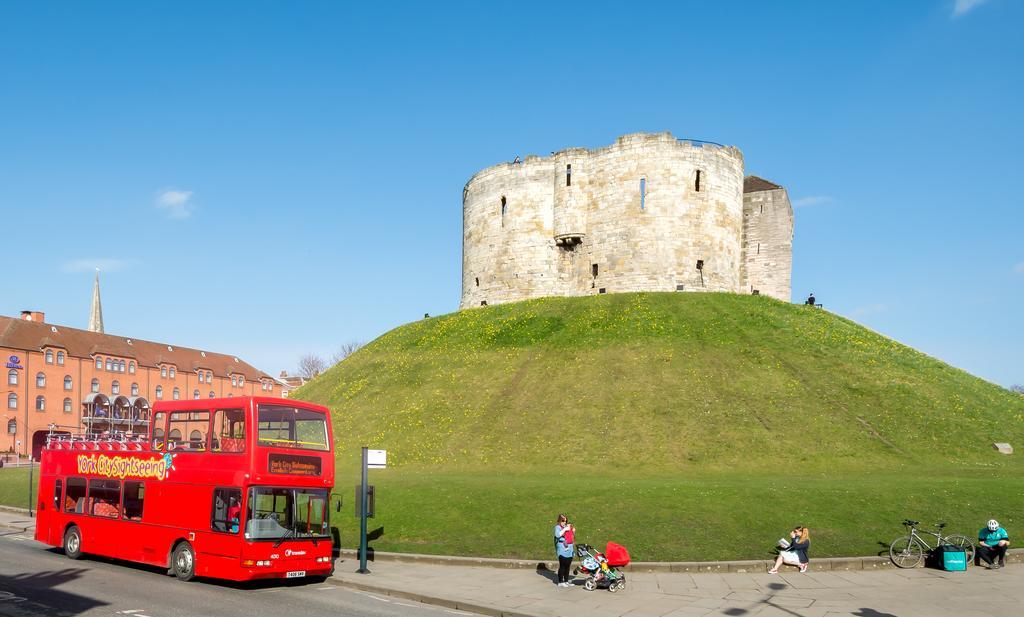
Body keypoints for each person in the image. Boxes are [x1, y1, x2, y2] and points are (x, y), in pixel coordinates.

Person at [553, 514, 575, 587]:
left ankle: (566, 581)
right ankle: (560, 582)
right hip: (562, 547)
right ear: (559, 520)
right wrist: (565, 529)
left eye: (566, 521)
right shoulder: (557, 527)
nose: (564, 522)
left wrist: (573, 531)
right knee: (563, 565)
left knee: (568, 565)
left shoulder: (567, 527)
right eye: (563, 520)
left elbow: (570, 537)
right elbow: (557, 535)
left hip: (569, 547)